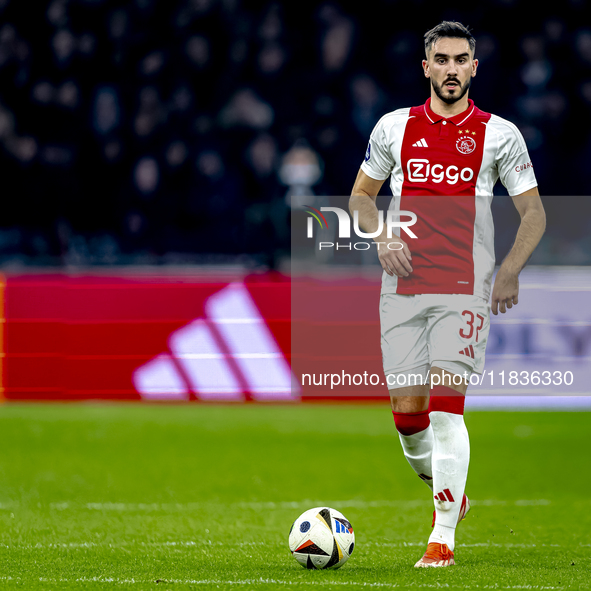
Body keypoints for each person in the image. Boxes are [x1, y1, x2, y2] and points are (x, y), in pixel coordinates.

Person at [349, 21, 546, 568]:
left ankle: (442, 539)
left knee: (444, 411)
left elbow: (534, 212)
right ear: (427, 67)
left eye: (463, 60)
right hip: (403, 289)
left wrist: (509, 270)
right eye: (444, 59)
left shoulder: (499, 134)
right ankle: (452, 493)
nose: (453, 68)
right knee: (408, 420)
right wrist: (381, 233)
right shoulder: (393, 128)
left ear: (474, 68)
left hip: (465, 288)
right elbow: (361, 197)